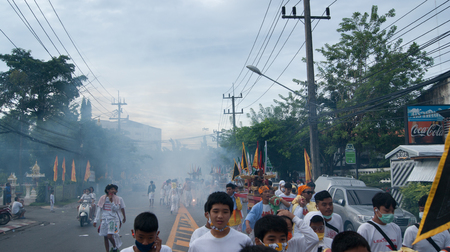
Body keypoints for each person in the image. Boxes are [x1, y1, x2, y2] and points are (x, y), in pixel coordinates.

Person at [253, 210, 319, 252]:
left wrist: (293, 217)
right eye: (271, 240)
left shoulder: (293, 245)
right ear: (258, 241)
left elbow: (314, 239)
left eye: (282, 239)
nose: (278, 244)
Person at [93, 184, 123, 252]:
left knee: (109, 236)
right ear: (107, 190)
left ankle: (115, 246)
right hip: (104, 219)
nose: (113, 190)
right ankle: (107, 250)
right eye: (112, 189)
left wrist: (112, 202)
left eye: (114, 189)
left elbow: (116, 209)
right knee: (105, 236)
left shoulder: (116, 198)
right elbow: (99, 209)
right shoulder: (102, 198)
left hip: (112, 219)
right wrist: (95, 220)